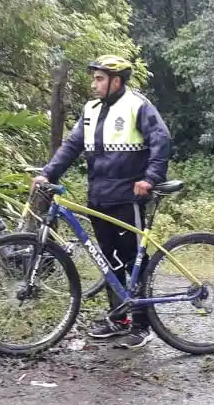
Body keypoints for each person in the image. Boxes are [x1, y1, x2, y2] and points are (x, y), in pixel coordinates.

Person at [33, 54, 172, 349]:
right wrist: (48, 174)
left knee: (134, 256)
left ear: (116, 81)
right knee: (110, 260)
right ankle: (119, 317)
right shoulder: (91, 109)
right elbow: (71, 146)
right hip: (98, 195)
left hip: (128, 196)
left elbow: (161, 139)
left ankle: (141, 323)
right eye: (94, 78)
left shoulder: (137, 105)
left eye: (99, 79)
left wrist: (150, 178)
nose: (94, 84)